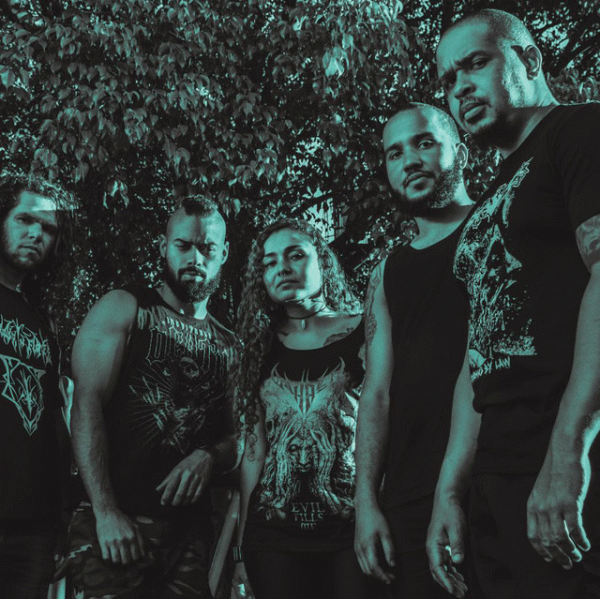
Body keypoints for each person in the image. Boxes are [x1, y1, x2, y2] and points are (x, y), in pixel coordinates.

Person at [427, 8, 600, 599]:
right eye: (447, 80)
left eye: (475, 64)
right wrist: (451, 492)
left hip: (567, 453)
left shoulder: (581, 131)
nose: (459, 88)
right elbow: (479, 349)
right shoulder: (489, 203)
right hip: (498, 476)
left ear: (529, 59)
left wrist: (569, 452)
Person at [66, 196, 238, 598]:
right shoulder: (124, 308)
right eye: (183, 245)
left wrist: (209, 456)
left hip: (189, 538)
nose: (195, 258)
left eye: (207, 248)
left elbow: (244, 438)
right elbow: (85, 405)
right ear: (163, 247)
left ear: (224, 253)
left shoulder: (231, 346)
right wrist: (105, 512)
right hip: (116, 524)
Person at [353, 103, 475, 598]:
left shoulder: (497, 228)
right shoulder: (386, 272)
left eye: (424, 142)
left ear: (460, 153)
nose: (410, 160)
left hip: (491, 479)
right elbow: (376, 393)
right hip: (407, 494)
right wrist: (366, 502)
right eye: (395, 153)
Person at [231, 218, 379, 599]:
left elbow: (383, 418)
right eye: (269, 262)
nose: (282, 267)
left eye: (295, 255)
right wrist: (242, 548)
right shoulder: (257, 348)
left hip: (349, 526)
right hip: (273, 535)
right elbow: (253, 453)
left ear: (323, 261)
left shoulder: (365, 331)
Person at [0, 173, 73, 599]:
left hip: (32, 530)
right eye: (24, 219)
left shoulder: (43, 323)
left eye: (47, 228)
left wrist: (61, 518)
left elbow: (51, 424)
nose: (35, 234)